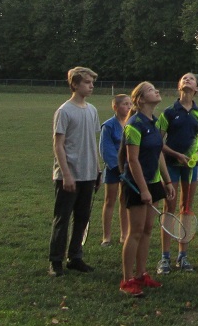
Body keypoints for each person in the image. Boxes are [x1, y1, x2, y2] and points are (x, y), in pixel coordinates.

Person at [119, 82, 175, 297]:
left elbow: (159, 152)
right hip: (136, 183)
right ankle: (127, 280)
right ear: (140, 99)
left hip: (153, 182)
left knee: (148, 229)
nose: (157, 91)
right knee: (135, 232)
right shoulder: (134, 124)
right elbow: (132, 161)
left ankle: (142, 274)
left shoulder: (155, 121)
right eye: (151, 90)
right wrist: (143, 190)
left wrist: (167, 181)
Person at [49, 66, 100, 277]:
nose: (91, 86)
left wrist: (97, 169)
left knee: (82, 217)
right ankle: (55, 261)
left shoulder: (92, 110)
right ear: (75, 84)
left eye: (92, 83)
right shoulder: (64, 111)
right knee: (63, 218)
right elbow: (58, 144)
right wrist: (66, 174)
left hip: (88, 173)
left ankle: (75, 257)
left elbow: (91, 141)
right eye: (87, 82)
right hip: (69, 175)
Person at [157, 73, 198, 274]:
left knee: (186, 207)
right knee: (169, 207)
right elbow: (158, 142)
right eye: (184, 78)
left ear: (196, 88)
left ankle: (183, 256)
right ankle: (164, 257)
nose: (187, 80)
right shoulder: (168, 112)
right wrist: (177, 154)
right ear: (179, 85)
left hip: (191, 167)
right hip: (170, 165)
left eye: (191, 79)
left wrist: (195, 154)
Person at [99, 93, 132, 246]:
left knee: (124, 200)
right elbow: (106, 150)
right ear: (115, 107)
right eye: (125, 104)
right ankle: (106, 236)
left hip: (129, 168)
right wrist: (118, 167)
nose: (128, 107)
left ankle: (124, 234)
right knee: (109, 200)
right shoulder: (108, 126)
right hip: (113, 169)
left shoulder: (132, 124)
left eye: (129, 103)